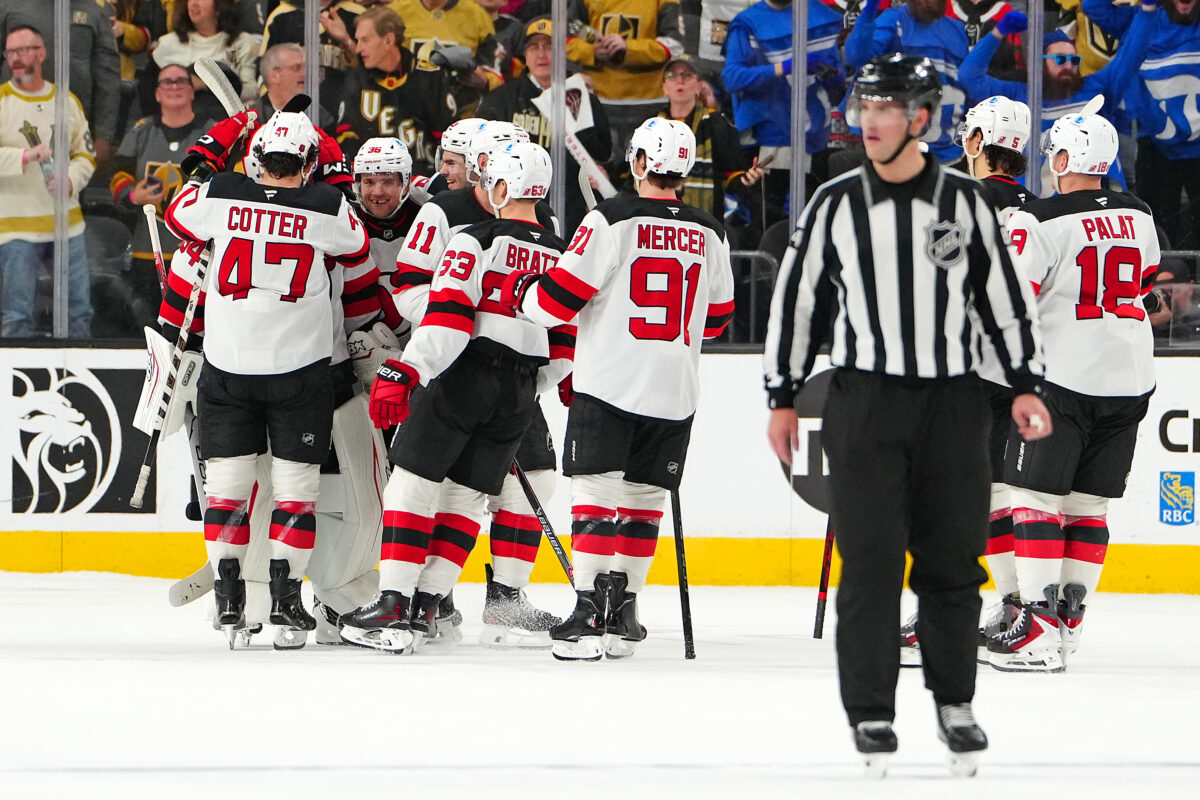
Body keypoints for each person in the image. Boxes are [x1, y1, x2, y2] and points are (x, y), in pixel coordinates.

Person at [762, 54, 1050, 776]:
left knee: (954, 565)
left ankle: (956, 703)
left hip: (953, 403)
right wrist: (782, 395)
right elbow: (799, 302)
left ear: (921, 119)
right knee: (871, 565)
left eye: (886, 108)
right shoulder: (833, 203)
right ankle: (872, 713)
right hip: (865, 402)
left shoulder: (966, 202)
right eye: (865, 106)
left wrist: (1023, 384)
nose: (869, 121)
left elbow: (1003, 302)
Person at [502, 118, 736, 661]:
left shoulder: (611, 219)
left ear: (637, 163)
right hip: (676, 390)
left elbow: (558, 300)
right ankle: (624, 610)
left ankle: (588, 610)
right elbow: (718, 319)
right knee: (643, 501)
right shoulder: (712, 231)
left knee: (596, 493)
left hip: (610, 381)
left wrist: (523, 293)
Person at [340, 140, 569, 653]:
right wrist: (537, 384)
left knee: (413, 487)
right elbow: (562, 343)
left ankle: (394, 604)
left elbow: (447, 324)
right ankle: (428, 602)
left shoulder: (472, 240)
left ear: (502, 186)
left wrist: (406, 370)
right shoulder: (560, 253)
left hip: (463, 377)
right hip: (520, 392)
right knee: (464, 499)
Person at [161, 108, 371, 649]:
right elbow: (356, 241)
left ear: (255, 159)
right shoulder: (329, 207)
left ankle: (230, 593)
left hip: (227, 371)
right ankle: (284, 599)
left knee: (227, 493)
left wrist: (235, 126)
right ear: (308, 162)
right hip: (300, 374)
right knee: (294, 495)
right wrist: (323, 143)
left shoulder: (221, 196)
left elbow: (183, 198)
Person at [987, 106, 1158, 673]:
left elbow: (1013, 300)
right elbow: (1146, 283)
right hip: (1132, 376)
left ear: (1063, 159)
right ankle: (1067, 625)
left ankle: (1033, 626)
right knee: (1090, 504)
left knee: (1032, 495)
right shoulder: (1140, 214)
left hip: (1065, 376)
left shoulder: (1041, 217)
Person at [899, 94, 1033, 667]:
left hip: (963, 371)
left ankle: (943, 612)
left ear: (978, 142)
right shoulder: (1041, 209)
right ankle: (1015, 605)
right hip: (1021, 370)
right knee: (998, 495)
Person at [959, 5, 1157, 191]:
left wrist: (1147, 11)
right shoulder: (1020, 96)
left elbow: (1131, 53)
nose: (1068, 66)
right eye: (1060, 59)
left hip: (1093, 199)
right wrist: (997, 33)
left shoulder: (1098, 88)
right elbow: (969, 78)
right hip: (1033, 203)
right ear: (1040, 63)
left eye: (1074, 60)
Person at [0, 24, 96, 339]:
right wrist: (24, 157)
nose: (16, 58)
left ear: (41, 53)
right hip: (15, 229)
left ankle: (81, 387)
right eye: (11, 51)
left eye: (23, 50)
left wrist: (70, 181)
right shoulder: (1, 101)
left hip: (66, 225)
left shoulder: (67, 101)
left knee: (78, 313)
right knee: (16, 317)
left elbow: (86, 155)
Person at [476, 17, 613, 235]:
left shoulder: (582, 98)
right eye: (534, 47)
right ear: (525, 55)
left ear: (564, 53)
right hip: (512, 210)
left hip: (572, 212)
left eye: (550, 46)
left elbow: (603, 155)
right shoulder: (502, 99)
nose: (542, 54)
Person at [1083, 0, 1200, 250]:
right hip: (1157, 143)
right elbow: (1093, 6)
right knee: (1156, 224)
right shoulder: (1140, 17)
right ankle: (1162, 283)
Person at [111, 63, 214, 329]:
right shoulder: (140, 130)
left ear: (193, 92)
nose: (174, 86)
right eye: (166, 82)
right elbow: (117, 175)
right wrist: (133, 194)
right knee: (146, 331)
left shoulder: (211, 132)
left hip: (198, 256)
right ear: (156, 94)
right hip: (147, 254)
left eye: (182, 81)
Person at [723, 0, 843, 221]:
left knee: (815, 220)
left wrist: (834, 74)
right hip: (772, 138)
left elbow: (838, 73)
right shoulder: (748, 23)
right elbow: (731, 78)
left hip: (818, 135)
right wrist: (783, 67)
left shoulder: (821, 15)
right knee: (772, 221)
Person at [844, 0, 970, 165]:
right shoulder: (894, 20)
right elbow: (856, 56)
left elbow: (965, 88)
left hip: (949, 154)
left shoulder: (957, 29)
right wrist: (869, 12)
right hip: (897, 151)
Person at [0, 0, 121, 163]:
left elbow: (107, 78)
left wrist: (104, 136)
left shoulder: (95, 12)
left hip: (69, 127)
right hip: (12, 123)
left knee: (66, 186)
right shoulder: (10, 6)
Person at [335, 6, 456, 166]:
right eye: (357, 41)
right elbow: (346, 137)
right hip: (372, 175)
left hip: (423, 177)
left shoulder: (430, 77)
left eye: (365, 40)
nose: (358, 48)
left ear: (388, 40)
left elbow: (447, 139)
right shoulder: (356, 78)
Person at [654, 54, 763, 232]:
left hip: (704, 226)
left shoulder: (718, 125)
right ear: (663, 87)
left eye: (687, 75)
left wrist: (747, 179)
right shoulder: (651, 126)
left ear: (699, 87)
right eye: (672, 75)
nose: (679, 80)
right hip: (657, 224)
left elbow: (732, 176)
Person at [575, 0, 686, 159]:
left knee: (645, 171)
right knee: (598, 174)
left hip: (649, 104)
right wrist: (591, 51)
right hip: (597, 104)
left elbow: (675, 45)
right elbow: (566, 34)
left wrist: (629, 49)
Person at [152, 0, 262, 108]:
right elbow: (150, 90)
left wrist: (205, 84)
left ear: (220, 4)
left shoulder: (241, 44)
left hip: (223, 118)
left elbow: (251, 91)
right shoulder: (168, 44)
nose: (193, 3)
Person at [260, 1, 363, 115]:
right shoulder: (281, 15)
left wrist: (345, 40)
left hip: (345, 113)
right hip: (293, 116)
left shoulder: (356, 13)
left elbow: (371, 71)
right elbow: (266, 75)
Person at [255, 43, 336, 132]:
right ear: (274, 75)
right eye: (296, 68)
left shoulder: (320, 117)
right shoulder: (252, 119)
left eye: (305, 68)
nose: (305, 74)